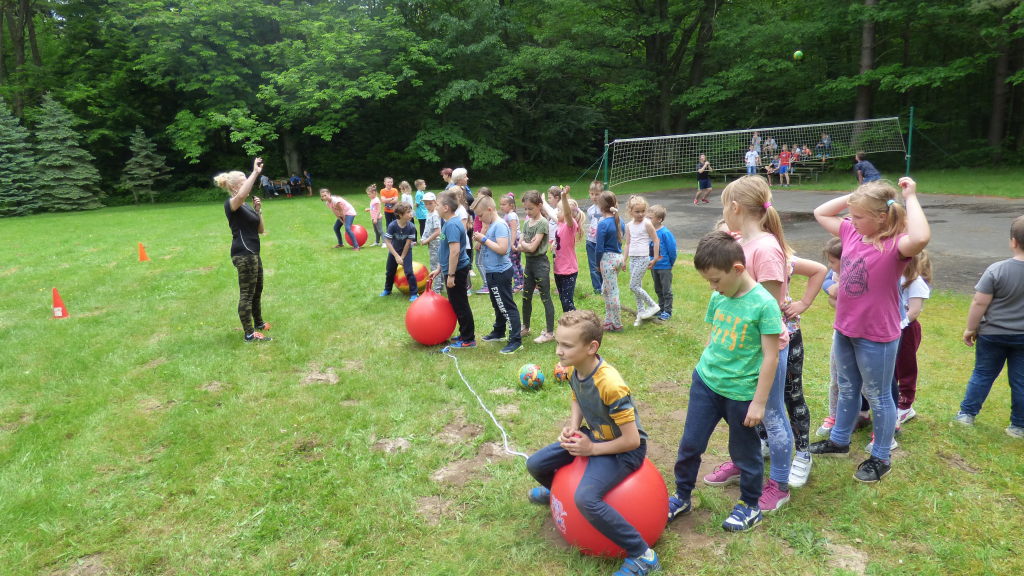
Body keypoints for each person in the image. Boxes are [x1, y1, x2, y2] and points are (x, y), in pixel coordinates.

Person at [810, 177, 931, 483]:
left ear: (881, 217)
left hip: (877, 336)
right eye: (851, 215)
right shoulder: (851, 232)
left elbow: (921, 236)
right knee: (848, 387)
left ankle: (881, 457)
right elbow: (820, 212)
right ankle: (839, 441)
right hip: (845, 329)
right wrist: (856, 196)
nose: (851, 220)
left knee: (878, 396)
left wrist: (910, 197)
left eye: (859, 216)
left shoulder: (896, 245)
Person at [526, 309, 661, 576]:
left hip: (624, 452)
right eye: (558, 343)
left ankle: (643, 555)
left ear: (591, 348)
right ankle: (556, 493)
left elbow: (633, 440)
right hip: (594, 437)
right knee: (536, 464)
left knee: (586, 498)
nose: (558, 351)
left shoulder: (611, 385)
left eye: (566, 345)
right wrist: (573, 427)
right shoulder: (574, 369)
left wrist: (591, 449)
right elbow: (577, 398)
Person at [668, 231, 782, 532]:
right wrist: (705, 365)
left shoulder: (764, 305)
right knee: (690, 445)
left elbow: (771, 357)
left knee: (744, 453)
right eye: (709, 281)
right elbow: (714, 335)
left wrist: (758, 403)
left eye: (716, 280)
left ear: (738, 269)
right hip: (706, 384)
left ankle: (749, 505)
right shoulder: (718, 296)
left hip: (741, 394)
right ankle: (681, 496)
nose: (713, 287)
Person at [708, 175, 794, 513]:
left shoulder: (766, 250)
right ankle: (743, 461)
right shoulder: (741, 242)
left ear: (735, 207)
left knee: (771, 415)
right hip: (740, 350)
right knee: (740, 413)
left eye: (723, 208)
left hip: (763, 353)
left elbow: (769, 311)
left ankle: (780, 484)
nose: (722, 214)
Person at [956, 214, 1024, 439]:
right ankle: (1018, 426)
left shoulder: (997, 270)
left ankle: (967, 414)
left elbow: (979, 302)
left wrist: (970, 328)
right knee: (1021, 381)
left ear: (1013, 241)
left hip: (992, 334)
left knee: (983, 374)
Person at [779, 255, 828, 487]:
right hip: (754, 337)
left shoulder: (780, 255)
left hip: (787, 334)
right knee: (756, 390)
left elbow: (819, 269)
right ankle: (765, 440)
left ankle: (802, 453)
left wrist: (804, 302)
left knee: (792, 394)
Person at [215, 157, 271, 343]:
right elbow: (240, 196)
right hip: (243, 253)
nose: (247, 183)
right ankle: (249, 334)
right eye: (244, 181)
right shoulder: (232, 203)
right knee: (247, 294)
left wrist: (258, 210)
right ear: (234, 187)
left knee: (257, 290)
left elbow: (260, 230)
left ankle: (259, 323)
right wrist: (255, 173)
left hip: (253, 252)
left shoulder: (246, 206)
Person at [473, 196, 523, 355]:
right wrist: (482, 236)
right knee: (497, 303)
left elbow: (502, 249)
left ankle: (515, 340)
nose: (480, 219)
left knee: (506, 306)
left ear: (489, 210)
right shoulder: (491, 225)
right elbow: (482, 246)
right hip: (492, 272)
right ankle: (499, 331)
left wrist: (484, 239)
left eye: (481, 215)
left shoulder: (500, 225)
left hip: (500, 272)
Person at [428, 191, 475, 348]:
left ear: (446, 207)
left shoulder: (452, 225)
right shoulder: (448, 223)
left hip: (457, 271)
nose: (436, 207)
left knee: (460, 304)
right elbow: (446, 251)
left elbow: (455, 251)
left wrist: (451, 275)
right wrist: (439, 269)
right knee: (457, 303)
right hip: (451, 269)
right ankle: (464, 333)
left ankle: (468, 339)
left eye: (438, 204)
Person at [892, 251, 932, 428]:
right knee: (891, 366)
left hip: (906, 330)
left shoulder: (915, 282)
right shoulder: (894, 277)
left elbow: (914, 311)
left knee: (905, 366)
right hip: (891, 328)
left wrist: (899, 324)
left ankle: (905, 405)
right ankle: (892, 399)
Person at [519, 190, 556, 344]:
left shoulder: (542, 223)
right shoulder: (526, 223)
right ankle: (525, 327)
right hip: (529, 265)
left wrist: (525, 244)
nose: (528, 212)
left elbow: (533, 247)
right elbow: (520, 245)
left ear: (540, 206)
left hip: (540, 264)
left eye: (531, 208)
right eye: (525, 209)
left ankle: (550, 332)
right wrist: (525, 245)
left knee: (545, 297)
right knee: (526, 296)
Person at [623, 195, 660, 327]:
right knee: (637, 286)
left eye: (643, 211)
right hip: (633, 258)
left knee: (633, 286)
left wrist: (655, 258)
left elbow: (656, 240)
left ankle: (653, 305)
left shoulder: (647, 224)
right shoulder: (628, 226)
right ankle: (641, 312)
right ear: (630, 212)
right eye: (637, 211)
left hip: (643, 258)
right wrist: (624, 260)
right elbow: (627, 243)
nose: (640, 214)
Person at [552, 186, 586, 313]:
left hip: (568, 271)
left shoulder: (570, 226)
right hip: (558, 270)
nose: (557, 212)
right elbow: (551, 213)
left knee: (567, 302)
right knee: (563, 300)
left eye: (559, 210)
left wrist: (564, 197)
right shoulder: (560, 224)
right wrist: (542, 202)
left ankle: (575, 321)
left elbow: (566, 214)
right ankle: (569, 320)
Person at [595, 190, 624, 332]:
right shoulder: (620, 221)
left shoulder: (603, 224)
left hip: (607, 260)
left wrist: (597, 264)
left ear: (601, 207)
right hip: (618, 258)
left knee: (612, 292)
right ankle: (608, 321)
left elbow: (599, 248)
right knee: (606, 290)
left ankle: (617, 323)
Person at [379, 202, 419, 302]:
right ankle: (387, 290)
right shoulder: (392, 226)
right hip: (394, 251)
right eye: (408, 212)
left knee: (409, 272)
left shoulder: (411, 227)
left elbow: (408, 244)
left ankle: (414, 293)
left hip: (406, 251)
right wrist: (396, 256)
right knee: (390, 272)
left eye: (410, 211)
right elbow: (388, 242)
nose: (411, 214)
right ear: (400, 215)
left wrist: (402, 257)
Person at [648, 205, 677, 321]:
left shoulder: (665, 233)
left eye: (650, 218)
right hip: (653, 266)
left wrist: (670, 263)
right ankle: (660, 308)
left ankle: (667, 311)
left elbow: (672, 250)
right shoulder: (650, 232)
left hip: (664, 266)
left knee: (666, 290)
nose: (648, 220)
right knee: (658, 289)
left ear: (659, 219)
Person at [419, 192, 444, 293]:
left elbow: (438, 231)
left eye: (430, 203)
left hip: (436, 243)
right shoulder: (429, 213)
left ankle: (436, 290)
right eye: (426, 203)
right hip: (432, 242)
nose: (428, 206)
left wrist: (427, 240)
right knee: (438, 263)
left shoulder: (435, 215)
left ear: (435, 202)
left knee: (435, 265)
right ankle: (440, 286)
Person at [500, 193, 525, 293]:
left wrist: (511, 244)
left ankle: (518, 283)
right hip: (513, 241)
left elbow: (514, 230)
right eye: (501, 204)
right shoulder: (508, 215)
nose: (501, 206)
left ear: (511, 205)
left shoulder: (511, 215)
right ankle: (522, 282)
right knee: (517, 262)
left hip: (513, 241)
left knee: (512, 263)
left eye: (504, 204)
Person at [471, 187, 494, 295]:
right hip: (480, 238)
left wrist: (479, 242)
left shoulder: (484, 212)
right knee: (480, 262)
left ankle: (487, 285)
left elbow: (485, 227)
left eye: (480, 197)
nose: (477, 198)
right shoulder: (480, 209)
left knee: (480, 263)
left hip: (482, 240)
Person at [585, 181, 605, 294]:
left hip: (603, 242)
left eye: (597, 194)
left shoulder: (606, 208)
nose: (594, 197)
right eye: (592, 194)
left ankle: (605, 287)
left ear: (602, 193)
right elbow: (591, 221)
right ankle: (597, 289)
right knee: (593, 266)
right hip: (591, 241)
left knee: (603, 265)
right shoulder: (590, 210)